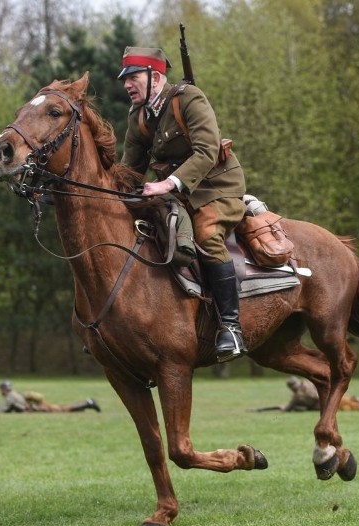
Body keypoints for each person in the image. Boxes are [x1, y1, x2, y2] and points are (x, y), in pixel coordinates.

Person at [118, 46, 247, 363]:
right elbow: (129, 171)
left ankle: (230, 327)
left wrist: (166, 183)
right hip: (176, 195)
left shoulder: (188, 99)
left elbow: (205, 152)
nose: (126, 85)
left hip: (217, 189)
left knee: (205, 235)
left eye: (133, 77)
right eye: (125, 79)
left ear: (156, 76)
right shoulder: (139, 117)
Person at [255, 376, 359, 412]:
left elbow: (289, 407)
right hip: (333, 398)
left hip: (330, 402)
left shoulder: (300, 395)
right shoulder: (307, 384)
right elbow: (288, 407)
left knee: (355, 403)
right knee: (355, 402)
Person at [0, 380, 101, 414]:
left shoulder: (9, 397)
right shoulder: (12, 394)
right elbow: (5, 406)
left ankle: (88, 403)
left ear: (3, 389)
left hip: (38, 408)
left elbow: (3, 410)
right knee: (62, 409)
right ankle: (86, 405)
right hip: (37, 406)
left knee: (63, 410)